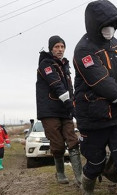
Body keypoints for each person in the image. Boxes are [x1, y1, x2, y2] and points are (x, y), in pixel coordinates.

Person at [73, 1, 117, 194]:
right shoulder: (83, 50)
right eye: (105, 24)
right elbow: (102, 83)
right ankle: (86, 188)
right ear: (94, 24)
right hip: (94, 117)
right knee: (96, 163)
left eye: (113, 24)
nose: (110, 29)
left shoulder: (115, 44)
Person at [36, 35, 82, 185]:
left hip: (65, 109)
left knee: (73, 141)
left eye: (62, 47)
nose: (60, 50)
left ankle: (79, 176)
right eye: (57, 47)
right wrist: (70, 104)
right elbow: (56, 85)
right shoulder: (45, 64)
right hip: (49, 110)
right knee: (58, 144)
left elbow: (69, 88)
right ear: (51, 48)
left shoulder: (65, 65)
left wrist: (74, 102)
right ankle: (60, 173)